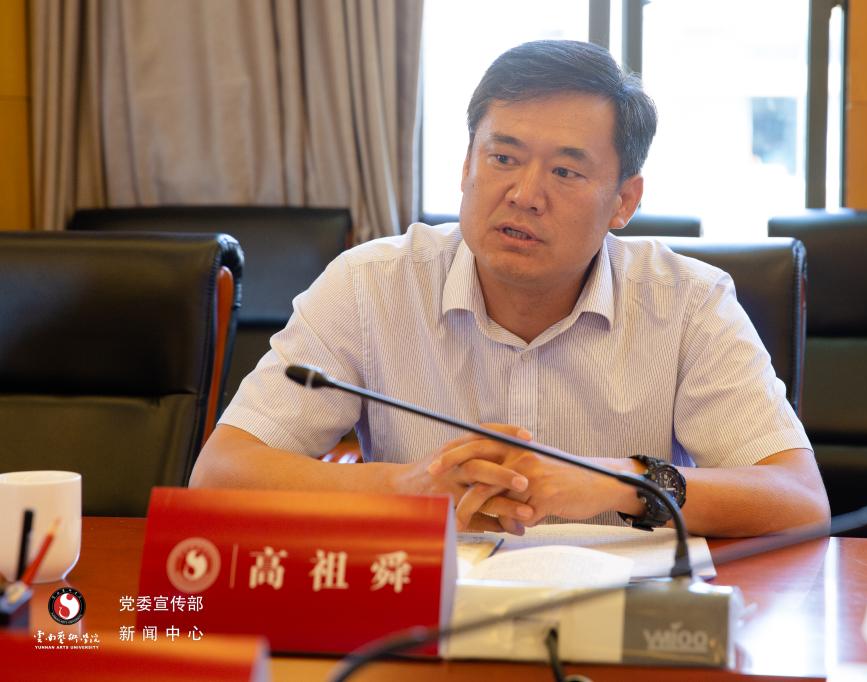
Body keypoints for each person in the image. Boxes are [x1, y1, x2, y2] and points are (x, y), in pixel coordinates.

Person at [190, 39, 829, 537]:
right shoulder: (369, 284)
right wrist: (408, 489)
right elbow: (220, 475)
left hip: (619, 625)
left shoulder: (687, 303)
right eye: (503, 158)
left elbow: (800, 499)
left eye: (566, 171)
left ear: (624, 201)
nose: (525, 194)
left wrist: (617, 482)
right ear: (466, 165)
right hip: (425, 620)